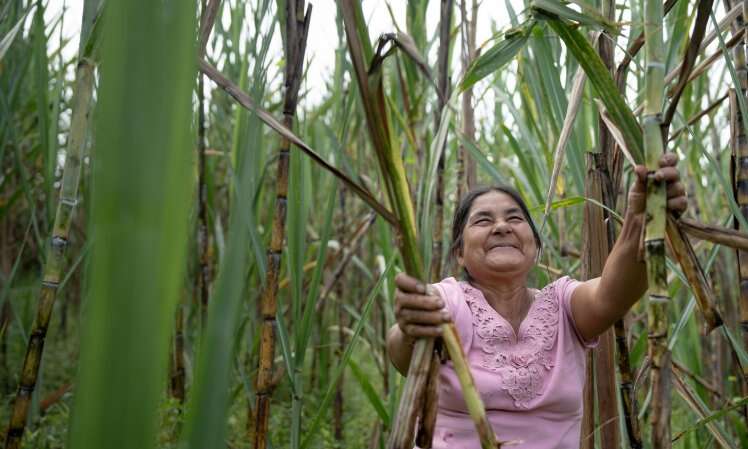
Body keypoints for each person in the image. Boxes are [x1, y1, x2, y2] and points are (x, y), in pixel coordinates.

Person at [386, 154, 688, 448]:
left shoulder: (564, 304)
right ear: (459, 253)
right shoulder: (447, 300)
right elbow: (402, 349)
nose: (502, 226)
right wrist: (409, 326)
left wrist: (643, 221)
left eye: (515, 218)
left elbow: (611, 294)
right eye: (482, 220)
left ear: (536, 246)